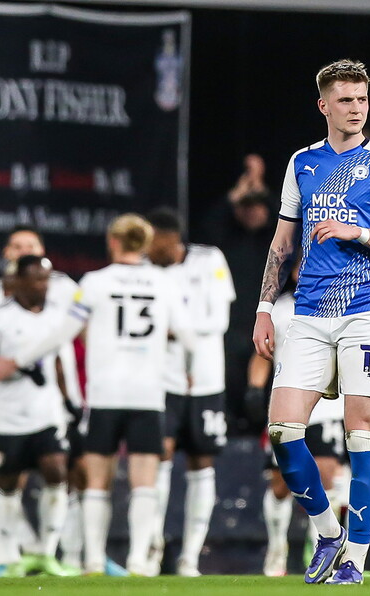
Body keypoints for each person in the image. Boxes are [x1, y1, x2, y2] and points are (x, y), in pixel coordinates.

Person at [251, 59, 370, 585]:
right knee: (282, 430)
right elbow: (283, 242)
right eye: (345, 100)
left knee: (361, 434)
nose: (356, 109)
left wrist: (358, 233)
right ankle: (327, 531)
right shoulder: (302, 162)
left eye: (362, 100)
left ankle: (354, 559)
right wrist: (263, 306)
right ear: (324, 105)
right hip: (306, 311)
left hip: (366, 312)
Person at [0, 214, 196, 576]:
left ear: (113, 242)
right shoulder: (163, 283)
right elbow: (189, 336)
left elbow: (61, 333)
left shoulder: (95, 283)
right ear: (143, 244)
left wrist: (14, 360)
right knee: (145, 480)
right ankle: (140, 560)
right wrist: (186, 370)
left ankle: (93, 558)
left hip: (105, 393)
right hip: (147, 393)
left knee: (97, 481)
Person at [0, 226, 83, 575]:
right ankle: (5, 557)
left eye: (45, 281)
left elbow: (61, 360)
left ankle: (47, 553)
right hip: (7, 414)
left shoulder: (56, 314)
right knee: (4, 481)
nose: (42, 287)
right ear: (17, 281)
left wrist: (71, 401)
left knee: (57, 471)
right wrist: (16, 370)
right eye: (35, 281)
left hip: (47, 411)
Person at [145, 208, 236, 577]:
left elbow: (220, 320)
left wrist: (175, 330)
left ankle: (190, 557)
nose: (150, 250)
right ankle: (151, 548)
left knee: (202, 461)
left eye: (154, 242)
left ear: (169, 239)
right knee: (159, 457)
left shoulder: (209, 259)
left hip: (206, 379)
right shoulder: (146, 272)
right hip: (161, 381)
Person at [260, 278, 347, 577]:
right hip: (286, 404)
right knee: (282, 485)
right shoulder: (280, 309)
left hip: (329, 406)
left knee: (326, 477)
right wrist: (253, 387)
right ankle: (276, 550)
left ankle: (322, 547)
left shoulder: (345, 303)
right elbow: (262, 353)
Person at [204, 155, 277, 433]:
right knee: (231, 380)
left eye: (256, 207)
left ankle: (266, 431)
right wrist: (235, 196)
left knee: (263, 390)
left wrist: (262, 190)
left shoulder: (272, 239)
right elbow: (207, 228)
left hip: (267, 321)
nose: (251, 212)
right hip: (233, 324)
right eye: (245, 207)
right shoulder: (225, 239)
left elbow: (288, 220)